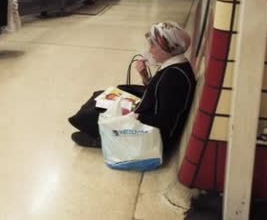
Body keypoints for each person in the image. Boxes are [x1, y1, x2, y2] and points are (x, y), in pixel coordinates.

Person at [68, 21, 197, 157]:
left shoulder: (173, 77)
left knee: (86, 116)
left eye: (153, 45)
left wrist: (133, 115)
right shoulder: (176, 66)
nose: (149, 50)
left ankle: (105, 139)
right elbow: (159, 95)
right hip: (146, 113)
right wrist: (145, 76)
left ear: (168, 48)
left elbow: (163, 123)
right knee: (99, 95)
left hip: (153, 138)